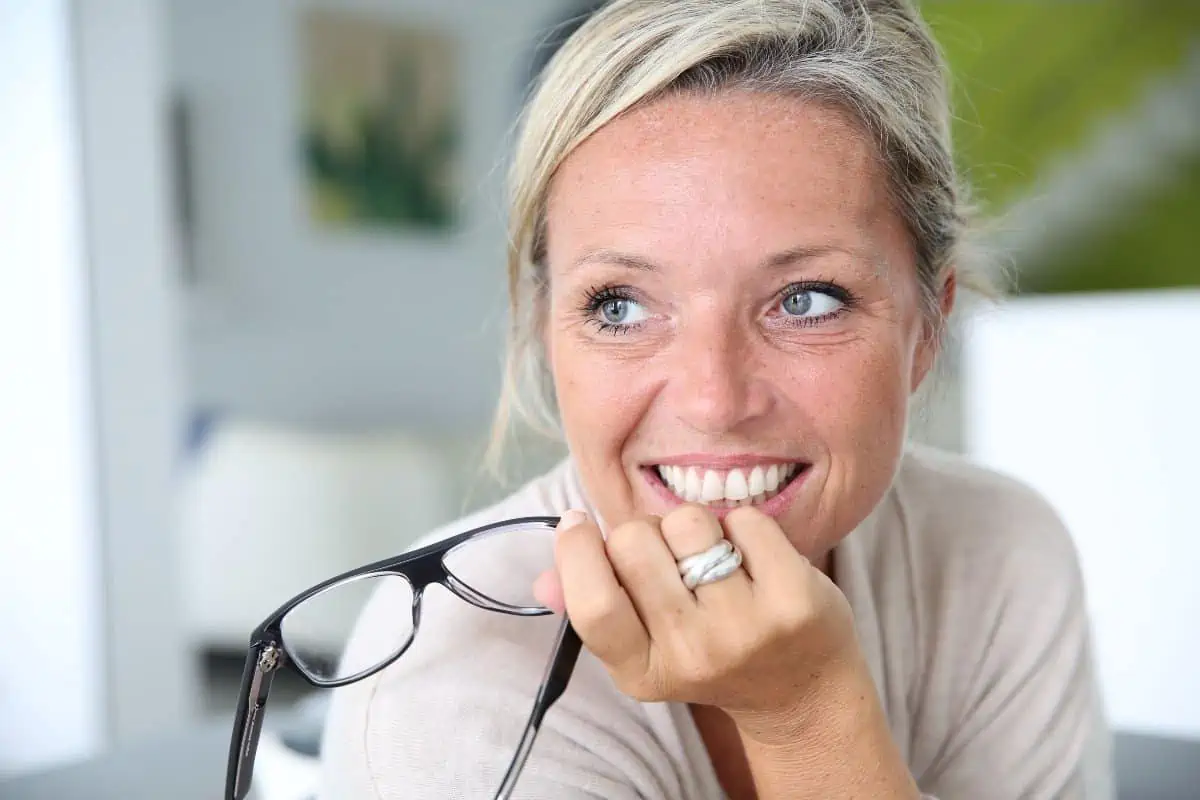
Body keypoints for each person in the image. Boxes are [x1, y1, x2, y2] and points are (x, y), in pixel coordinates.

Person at [320, 1, 1114, 797]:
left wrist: (807, 716)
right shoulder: (447, 660)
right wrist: (800, 715)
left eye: (806, 299)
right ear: (541, 325)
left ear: (929, 325)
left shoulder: (1000, 555)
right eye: (621, 305)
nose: (713, 401)